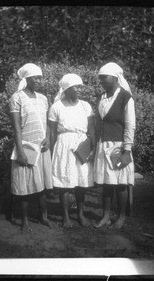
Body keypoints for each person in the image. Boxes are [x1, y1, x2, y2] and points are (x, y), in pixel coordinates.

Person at [9, 63, 53, 232]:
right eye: (36, 78)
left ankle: (44, 217)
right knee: (25, 185)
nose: (39, 81)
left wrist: (48, 138)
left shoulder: (43, 98)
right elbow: (16, 127)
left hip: (42, 148)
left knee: (41, 184)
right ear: (27, 79)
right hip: (26, 147)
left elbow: (47, 123)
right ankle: (24, 220)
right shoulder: (17, 98)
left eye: (41, 78)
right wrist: (20, 151)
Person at [49, 73, 95, 228]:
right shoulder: (56, 107)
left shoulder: (85, 106)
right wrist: (51, 153)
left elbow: (92, 128)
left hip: (82, 144)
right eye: (76, 87)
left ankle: (80, 214)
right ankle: (65, 217)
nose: (79, 90)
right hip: (64, 146)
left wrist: (92, 146)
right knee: (65, 182)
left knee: (81, 182)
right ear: (67, 89)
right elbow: (53, 132)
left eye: (80, 87)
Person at [94, 62, 136, 229]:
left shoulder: (125, 97)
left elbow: (130, 124)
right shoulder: (102, 98)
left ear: (115, 77)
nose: (102, 81)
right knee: (106, 183)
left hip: (118, 146)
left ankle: (121, 217)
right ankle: (105, 216)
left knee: (120, 183)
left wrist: (127, 150)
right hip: (102, 145)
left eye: (104, 77)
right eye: (100, 78)